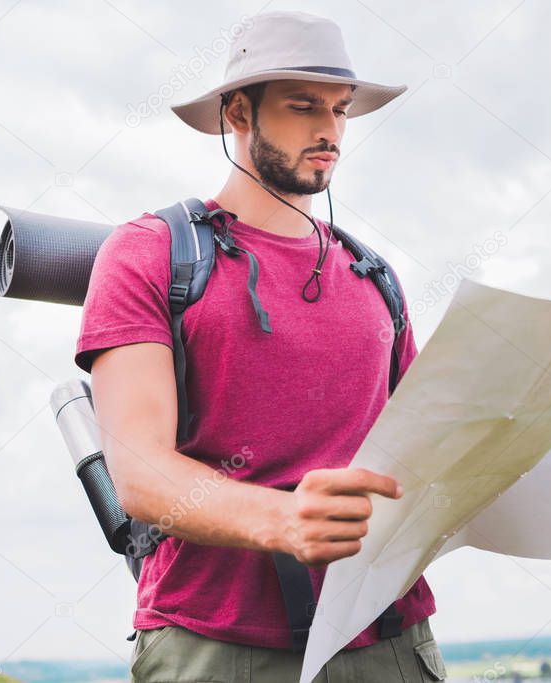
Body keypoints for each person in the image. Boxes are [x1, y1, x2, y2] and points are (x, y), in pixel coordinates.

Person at [73, 10, 446, 683]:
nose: (329, 130)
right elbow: (138, 472)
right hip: (218, 644)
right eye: (303, 107)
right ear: (237, 113)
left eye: (338, 109)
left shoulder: (375, 277)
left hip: (388, 634)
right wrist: (282, 519)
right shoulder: (148, 254)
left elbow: (426, 447)